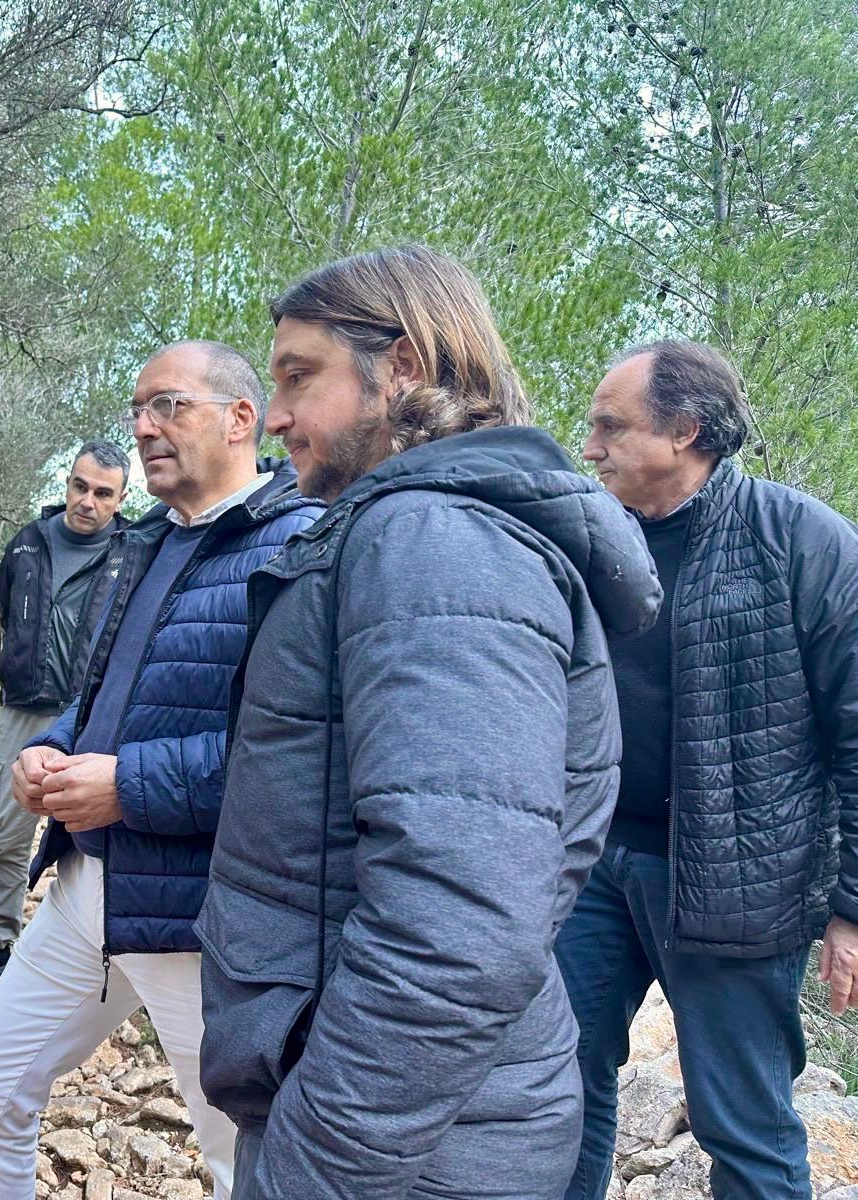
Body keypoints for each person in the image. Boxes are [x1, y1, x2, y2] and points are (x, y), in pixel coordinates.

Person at [197, 245, 662, 1199]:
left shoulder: (438, 541)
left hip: (410, 1147)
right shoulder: (413, 531)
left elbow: (459, 918)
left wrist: (314, 1171)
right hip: (418, 1116)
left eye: (299, 376)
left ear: (402, 367)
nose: (276, 415)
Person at [0, 340, 324, 1200]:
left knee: (245, 1161)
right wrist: (57, 747)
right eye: (138, 411)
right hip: (87, 889)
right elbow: (105, 690)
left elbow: (295, 755)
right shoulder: (149, 540)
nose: (146, 428)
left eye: (169, 406)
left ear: (240, 418)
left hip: (199, 919)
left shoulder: (299, 544)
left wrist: (125, 784)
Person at [559, 339, 858, 1200]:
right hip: (591, 869)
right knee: (555, 1096)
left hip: (742, 885)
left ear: (686, 431)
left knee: (744, 1128)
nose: (591, 447)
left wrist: (853, 910)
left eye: (612, 427)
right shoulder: (590, 537)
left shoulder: (803, 541)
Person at [0, 441, 129, 980]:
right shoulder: (26, 546)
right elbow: (11, 611)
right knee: (9, 822)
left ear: (120, 498)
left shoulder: (135, 553)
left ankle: (102, 954)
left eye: (103, 493)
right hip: (26, 708)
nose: (88, 501)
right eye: (79, 486)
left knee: (98, 827)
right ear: (67, 486)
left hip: (100, 710)